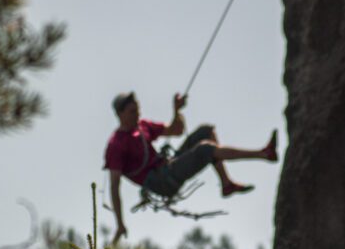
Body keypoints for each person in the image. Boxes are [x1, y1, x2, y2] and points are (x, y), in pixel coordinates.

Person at [104, 91, 278, 241]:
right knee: (206, 149)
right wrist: (120, 224)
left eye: (138, 110)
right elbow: (114, 186)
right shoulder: (116, 144)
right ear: (120, 115)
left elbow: (176, 130)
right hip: (162, 182)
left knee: (206, 131)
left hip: (168, 166)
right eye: (132, 112)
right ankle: (263, 153)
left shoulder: (142, 126)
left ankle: (226, 184)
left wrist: (177, 110)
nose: (137, 114)